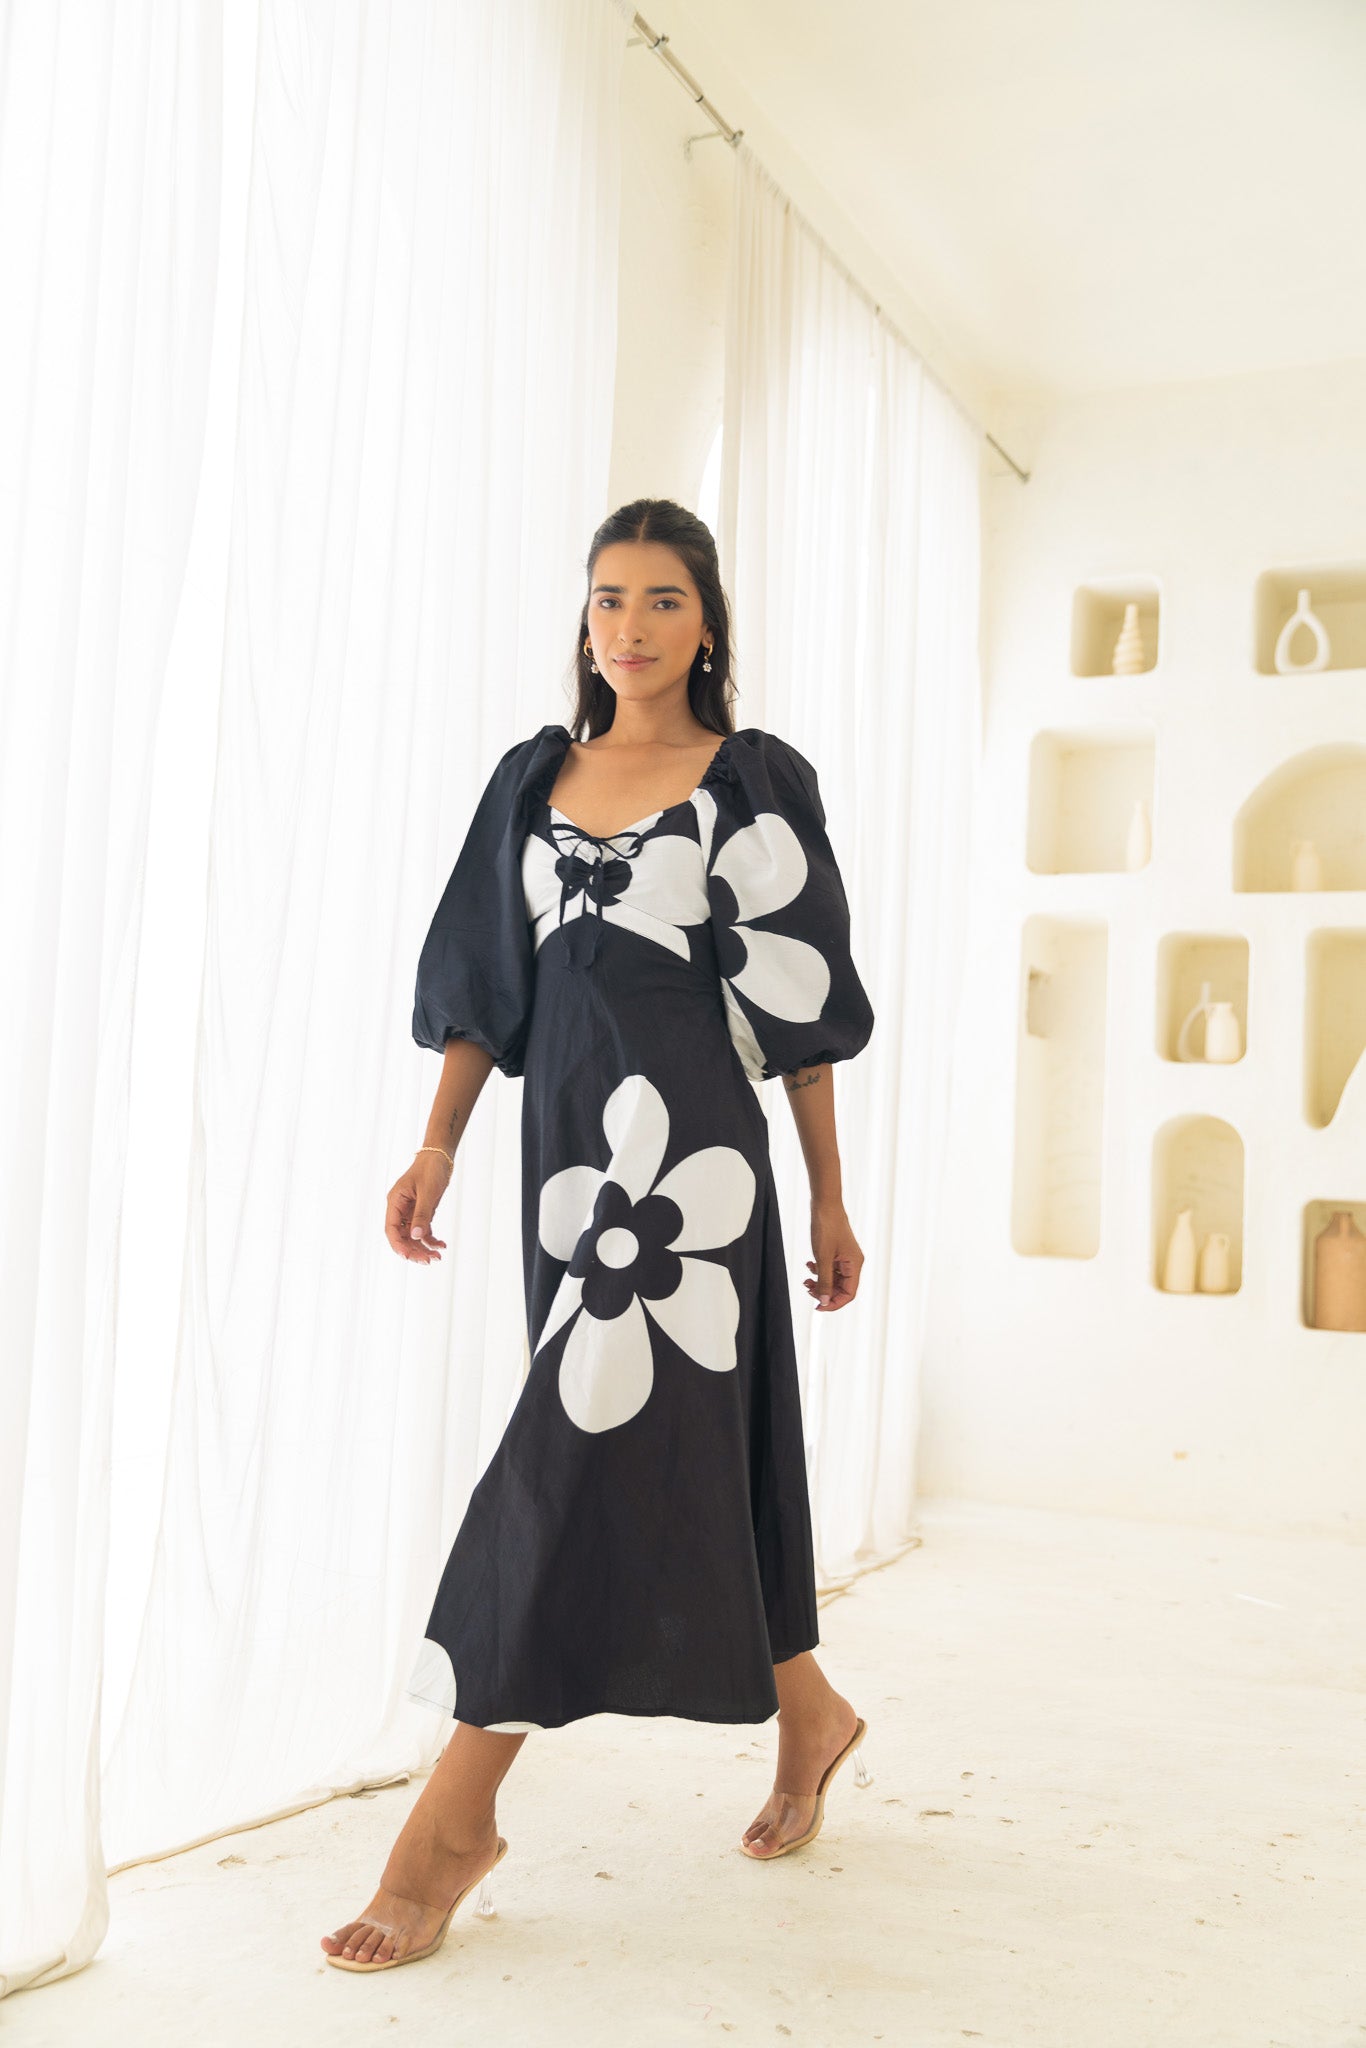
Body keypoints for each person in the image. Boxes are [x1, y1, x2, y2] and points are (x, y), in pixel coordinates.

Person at [322, 499, 876, 1972]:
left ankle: (452, 1824)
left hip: (695, 1177)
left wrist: (827, 1191)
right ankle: (809, 1710)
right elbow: (485, 986)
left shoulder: (750, 780)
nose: (630, 627)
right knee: (667, 1443)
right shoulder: (530, 779)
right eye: (608, 600)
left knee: (576, 1449)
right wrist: (436, 1143)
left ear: (707, 626)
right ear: (585, 619)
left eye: (662, 601)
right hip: (569, 1165)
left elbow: (799, 1009)